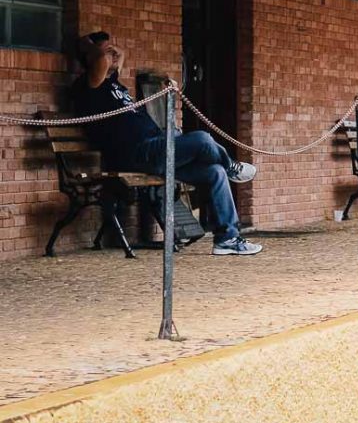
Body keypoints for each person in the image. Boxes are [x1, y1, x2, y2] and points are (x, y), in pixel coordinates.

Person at [71, 31, 262, 255]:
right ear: (91, 59)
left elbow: (117, 60)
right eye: (104, 52)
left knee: (215, 172)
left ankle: (227, 239)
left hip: (157, 150)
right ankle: (232, 166)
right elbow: (100, 60)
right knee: (202, 139)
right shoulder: (88, 88)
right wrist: (90, 46)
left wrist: (115, 53)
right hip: (139, 154)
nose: (110, 56)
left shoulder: (113, 85)